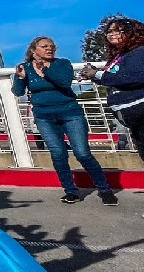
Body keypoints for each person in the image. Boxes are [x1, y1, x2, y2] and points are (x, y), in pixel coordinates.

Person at [12, 36, 117, 205]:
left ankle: (105, 190)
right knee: (58, 154)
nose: (49, 49)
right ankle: (70, 191)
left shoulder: (62, 63)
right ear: (33, 50)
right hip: (44, 116)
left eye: (52, 46)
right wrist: (20, 77)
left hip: (70, 113)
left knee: (82, 153)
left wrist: (45, 69)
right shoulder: (26, 68)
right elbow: (18, 92)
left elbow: (64, 83)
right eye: (44, 46)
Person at [80, 17, 144, 161]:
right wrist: (94, 75)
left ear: (132, 32)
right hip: (132, 115)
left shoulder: (140, 52)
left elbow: (132, 78)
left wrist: (98, 74)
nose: (112, 34)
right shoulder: (120, 56)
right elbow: (114, 79)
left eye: (118, 30)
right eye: (109, 31)